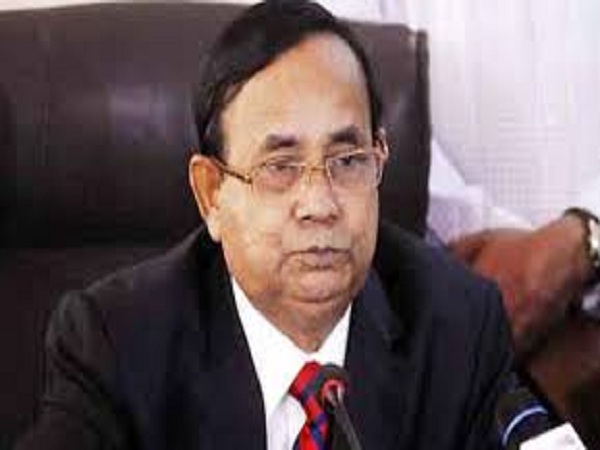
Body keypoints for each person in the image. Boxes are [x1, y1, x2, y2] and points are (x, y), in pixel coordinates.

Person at [16, 2, 516, 449]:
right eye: (280, 167)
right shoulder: (117, 344)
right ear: (212, 194)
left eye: (347, 160)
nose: (320, 204)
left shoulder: (459, 327)